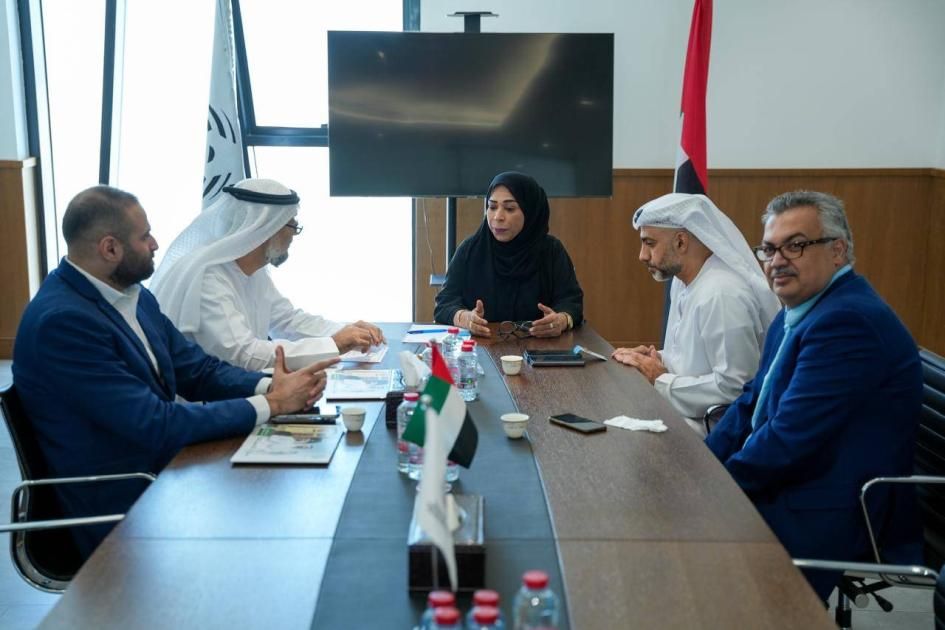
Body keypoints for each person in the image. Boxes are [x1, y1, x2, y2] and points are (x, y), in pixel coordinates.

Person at [13, 185, 337, 559]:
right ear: (110, 249)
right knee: (272, 528)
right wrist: (273, 404)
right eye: (144, 236)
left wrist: (270, 386)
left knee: (277, 506)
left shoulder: (133, 295)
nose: (155, 244)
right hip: (119, 504)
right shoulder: (64, 323)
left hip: (163, 471)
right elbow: (155, 423)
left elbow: (197, 371)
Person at [705, 190, 923, 600]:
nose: (777, 260)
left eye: (796, 245)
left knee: (682, 569)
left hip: (830, 511)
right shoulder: (798, 311)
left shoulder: (847, 322)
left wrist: (717, 491)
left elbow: (789, 439)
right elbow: (750, 403)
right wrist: (701, 468)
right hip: (796, 485)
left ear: (837, 251)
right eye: (769, 249)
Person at [149, 178, 384, 371]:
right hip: (203, 406)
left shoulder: (253, 270)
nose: (293, 236)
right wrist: (334, 343)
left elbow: (287, 320)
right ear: (266, 228)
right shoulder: (208, 278)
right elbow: (244, 355)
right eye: (291, 226)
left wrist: (347, 332)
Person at [612, 193, 781, 433]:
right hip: (683, 415)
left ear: (681, 242)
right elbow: (694, 361)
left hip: (713, 431)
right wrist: (653, 360)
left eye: (650, 243)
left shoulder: (722, 294)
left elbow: (736, 387)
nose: (642, 255)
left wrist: (660, 379)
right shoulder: (683, 282)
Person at [433, 171, 584, 338]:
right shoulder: (470, 250)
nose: (498, 217)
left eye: (510, 208)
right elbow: (444, 304)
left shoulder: (551, 251)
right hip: (480, 346)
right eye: (492, 207)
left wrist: (561, 320)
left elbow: (572, 303)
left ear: (530, 211)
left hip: (539, 346)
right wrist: (464, 317)